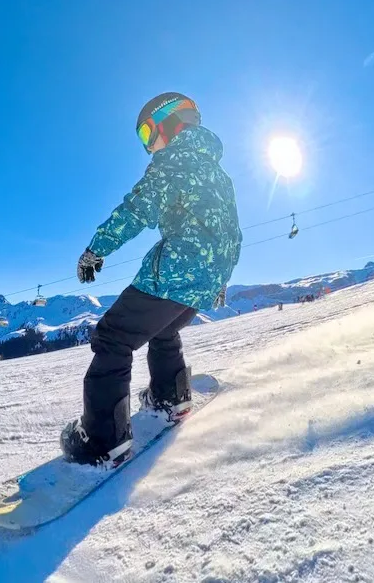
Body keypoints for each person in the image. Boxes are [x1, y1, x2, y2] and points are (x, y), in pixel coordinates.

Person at [60, 92, 242, 466]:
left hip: (177, 268)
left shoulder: (174, 160)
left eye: (148, 132)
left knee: (112, 337)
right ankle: (171, 397)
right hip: (207, 277)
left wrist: (97, 248)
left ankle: (103, 441)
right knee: (163, 330)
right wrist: (217, 282)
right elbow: (231, 234)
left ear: (171, 122)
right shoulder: (218, 173)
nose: (149, 145)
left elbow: (137, 209)